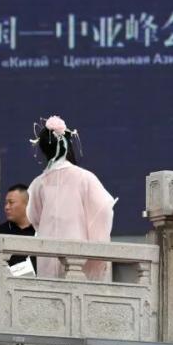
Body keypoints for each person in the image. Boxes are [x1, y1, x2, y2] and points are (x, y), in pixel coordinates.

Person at [25, 115, 117, 281]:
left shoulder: (38, 184)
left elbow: (34, 217)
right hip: (78, 258)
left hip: (48, 254)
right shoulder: (85, 178)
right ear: (67, 145)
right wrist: (96, 240)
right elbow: (103, 211)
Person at [0, 183, 36, 272]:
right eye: (6, 203)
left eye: (11, 202)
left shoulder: (41, 230)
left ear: (27, 204)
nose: (6, 207)